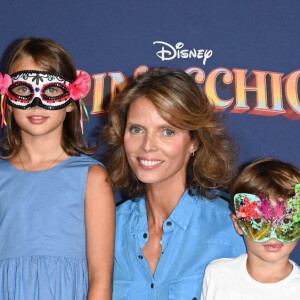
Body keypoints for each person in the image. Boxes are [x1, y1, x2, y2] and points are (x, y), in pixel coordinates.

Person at [103, 68, 245, 300]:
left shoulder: (233, 230)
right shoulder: (106, 229)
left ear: (194, 142)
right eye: (137, 129)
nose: (148, 145)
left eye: (167, 131)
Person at [0, 38, 115, 300]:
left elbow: (101, 280)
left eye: (51, 91)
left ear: (71, 100)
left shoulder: (92, 179)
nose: (36, 103)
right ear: (7, 97)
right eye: (23, 90)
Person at [201, 158, 300, 300]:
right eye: (259, 220)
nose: (273, 233)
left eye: (286, 220)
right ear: (238, 224)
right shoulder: (217, 274)